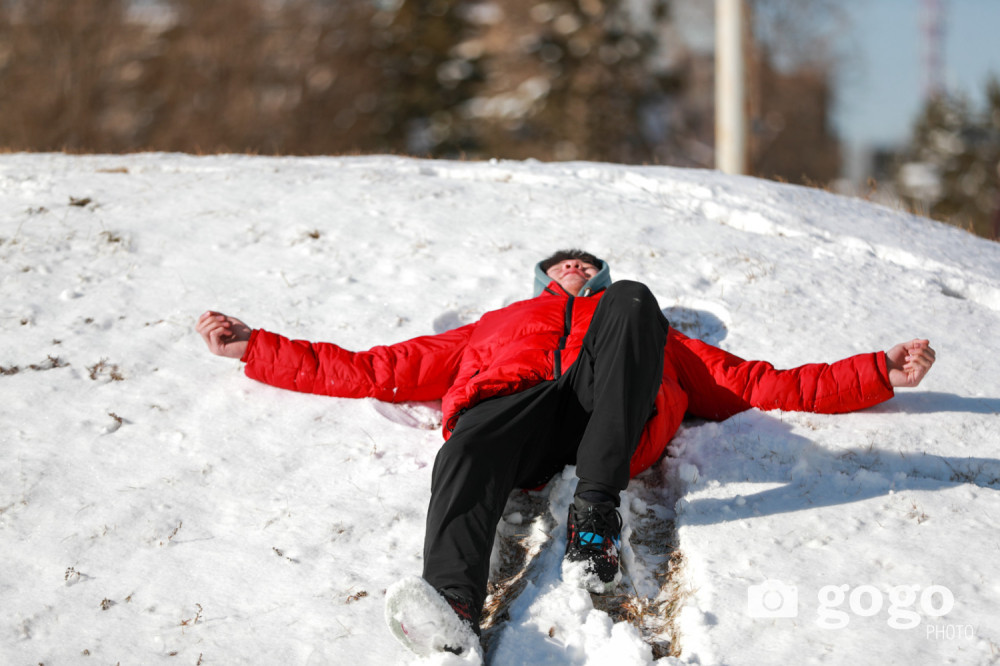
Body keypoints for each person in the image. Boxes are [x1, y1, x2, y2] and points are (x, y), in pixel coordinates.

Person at [196, 249, 936, 657]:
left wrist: (875, 373)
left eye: (589, 266)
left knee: (642, 301)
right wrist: (256, 349)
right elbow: (374, 369)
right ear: (543, 281)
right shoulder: (498, 324)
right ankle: (452, 613)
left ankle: (593, 514)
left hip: (605, 421)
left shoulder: (644, 329)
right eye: (564, 266)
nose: (576, 269)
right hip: (514, 412)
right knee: (466, 448)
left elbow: (762, 382)